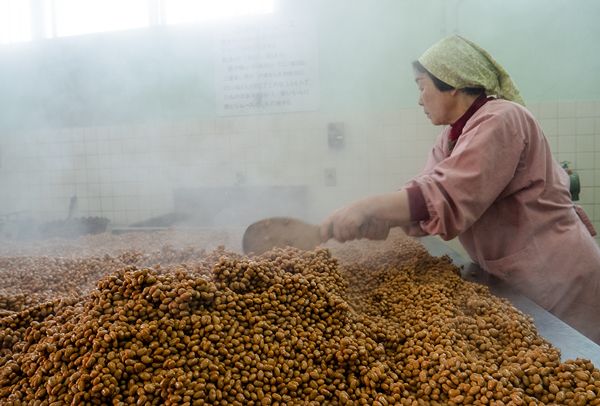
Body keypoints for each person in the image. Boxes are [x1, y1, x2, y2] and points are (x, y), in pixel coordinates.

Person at [320, 35, 600, 344]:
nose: (418, 99)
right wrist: (386, 220)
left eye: (421, 86)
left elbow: (447, 193)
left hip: (558, 276)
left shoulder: (503, 118)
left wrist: (368, 207)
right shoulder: (452, 137)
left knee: (580, 368)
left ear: (452, 83)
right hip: (520, 275)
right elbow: (425, 191)